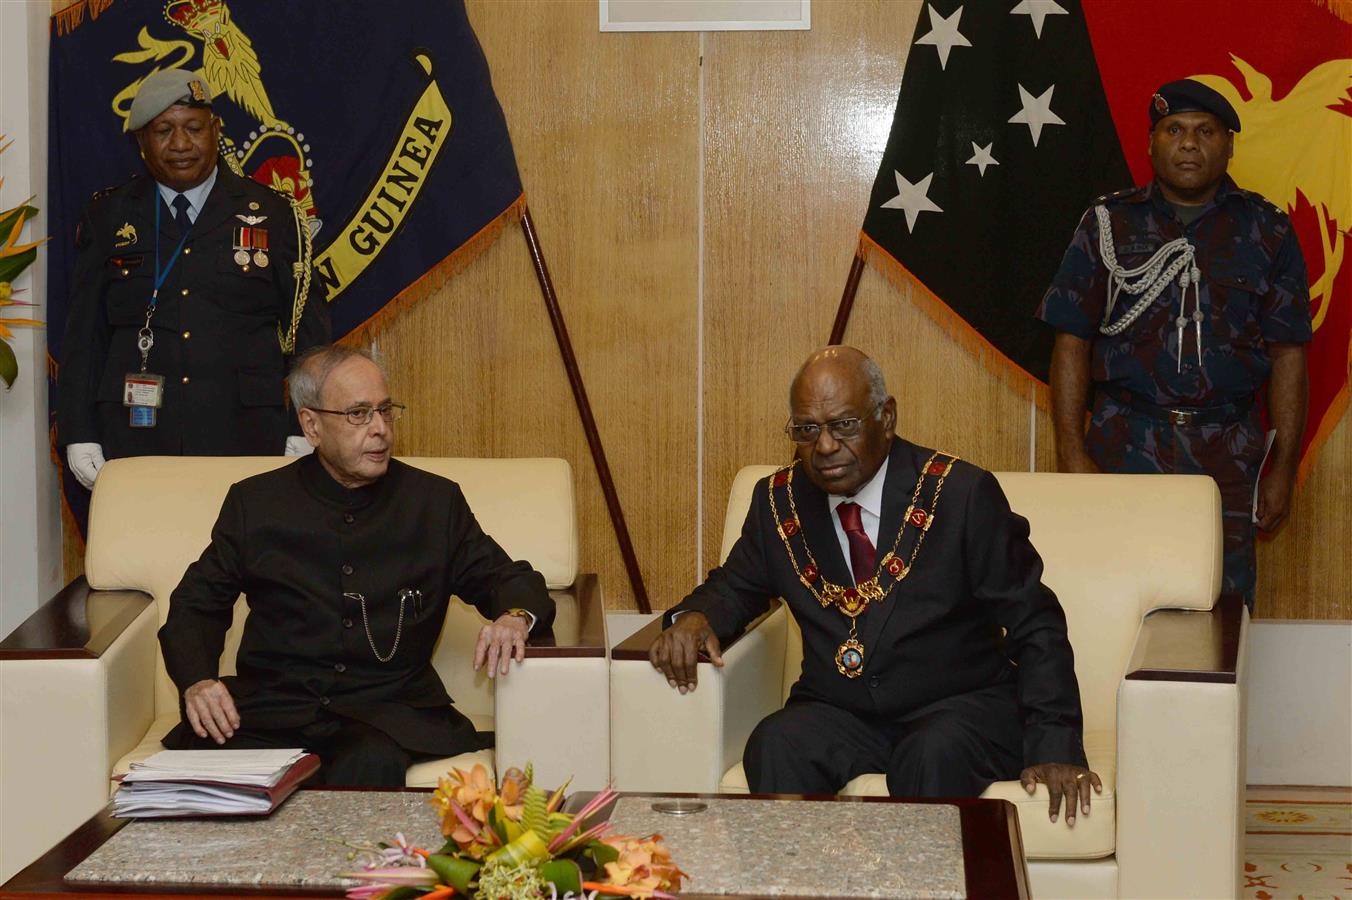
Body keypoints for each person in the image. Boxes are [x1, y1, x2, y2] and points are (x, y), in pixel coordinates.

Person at [650, 346, 1099, 826]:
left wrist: (1056, 743)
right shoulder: (778, 502)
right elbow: (737, 586)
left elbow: (1035, 621)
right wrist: (693, 618)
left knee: (931, 755)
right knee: (776, 743)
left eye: (844, 425)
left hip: (958, 708)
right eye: (807, 430)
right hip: (842, 710)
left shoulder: (961, 495)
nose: (824, 447)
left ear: (887, 417)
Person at [157, 345, 555, 785]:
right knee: (198, 765)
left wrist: (516, 617)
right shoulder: (256, 503)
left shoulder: (433, 504)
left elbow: (506, 577)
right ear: (312, 425)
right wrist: (197, 680)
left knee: (370, 761)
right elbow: (197, 603)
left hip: (384, 713)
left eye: (386, 411)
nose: (380, 430)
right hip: (275, 707)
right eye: (359, 414)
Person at [1038, 78, 1312, 608]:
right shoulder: (1107, 224)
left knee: (1219, 604)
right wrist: (1072, 451)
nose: (1189, 143)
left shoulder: (1267, 230)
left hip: (1228, 447)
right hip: (1125, 440)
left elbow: (1288, 354)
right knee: (1113, 595)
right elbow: (1071, 340)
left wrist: (1283, 468)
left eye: (1206, 131)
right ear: (1151, 143)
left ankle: (1206, 695)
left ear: (1229, 145)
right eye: (1174, 130)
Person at [58, 68, 329, 495]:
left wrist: (304, 425)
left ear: (216, 130)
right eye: (163, 130)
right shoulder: (108, 215)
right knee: (141, 560)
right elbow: (83, 335)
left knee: (249, 561)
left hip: (248, 439)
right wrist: (78, 430)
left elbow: (310, 333)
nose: (180, 144)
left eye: (193, 128)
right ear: (141, 142)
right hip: (134, 439)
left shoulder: (275, 215)